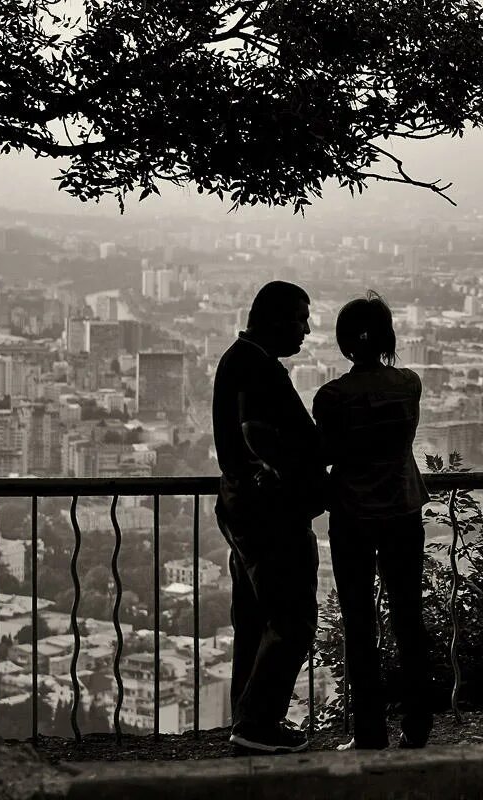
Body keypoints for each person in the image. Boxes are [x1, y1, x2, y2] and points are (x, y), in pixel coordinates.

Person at [312, 291, 434, 751]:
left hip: (352, 515)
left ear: (346, 344)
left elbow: (324, 454)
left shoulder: (332, 398)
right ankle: (417, 724)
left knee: (359, 622)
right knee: (408, 617)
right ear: (388, 338)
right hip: (403, 510)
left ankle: (369, 731)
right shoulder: (409, 384)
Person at [212, 280, 326, 754]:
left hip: (246, 510)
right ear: (275, 318)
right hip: (269, 517)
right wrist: (284, 474)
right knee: (293, 618)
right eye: (300, 319)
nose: (306, 329)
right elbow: (256, 431)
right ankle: (258, 722)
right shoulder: (257, 367)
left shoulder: (243, 359)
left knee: (257, 622)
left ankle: (247, 722)